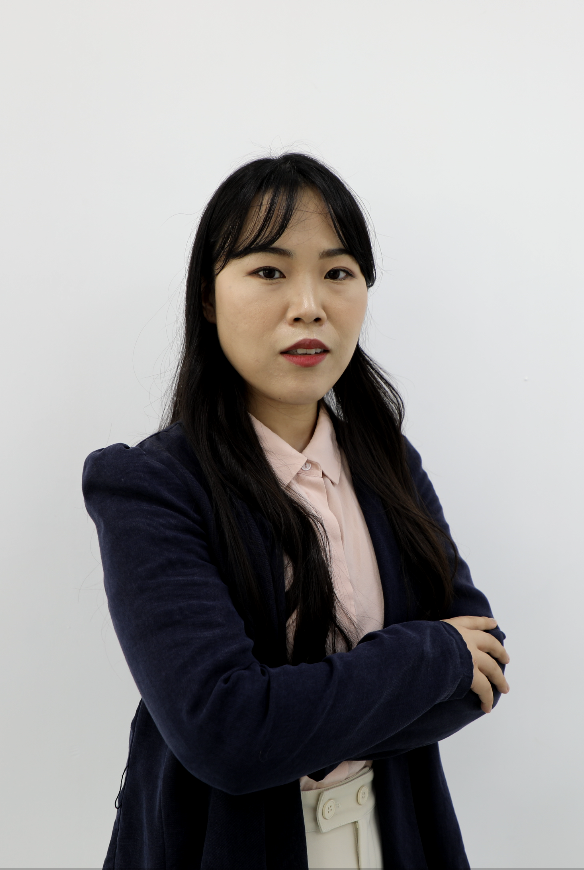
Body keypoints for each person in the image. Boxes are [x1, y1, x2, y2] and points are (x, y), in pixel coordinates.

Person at [82, 153, 510, 870]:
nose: (309, 304)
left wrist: (288, 720)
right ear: (209, 297)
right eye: (269, 271)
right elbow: (225, 735)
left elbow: (484, 670)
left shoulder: (388, 462)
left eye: (338, 272)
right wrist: (430, 656)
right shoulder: (149, 487)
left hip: (395, 836)